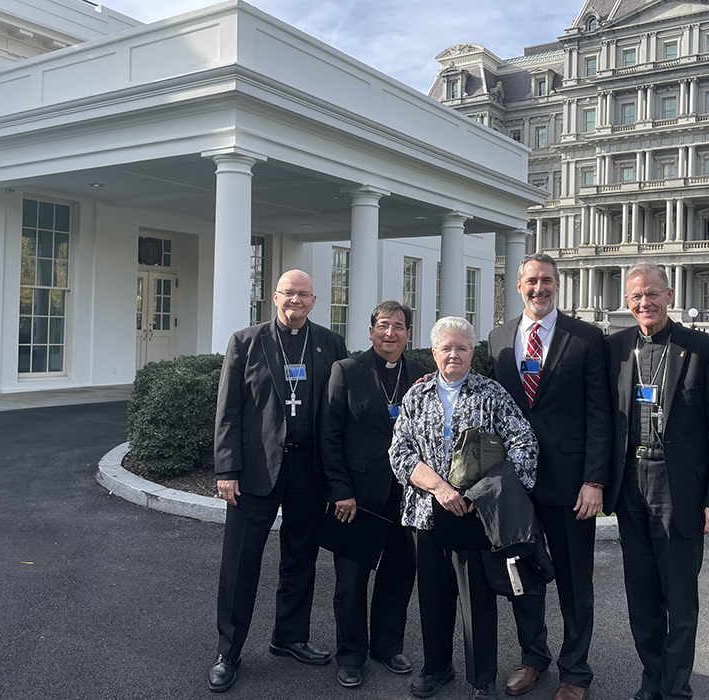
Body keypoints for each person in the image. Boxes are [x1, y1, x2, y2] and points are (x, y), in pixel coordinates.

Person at [207, 269, 347, 693]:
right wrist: (226, 468)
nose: (296, 301)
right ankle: (228, 652)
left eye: (303, 295)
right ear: (275, 296)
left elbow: (340, 408)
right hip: (255, 470)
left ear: (314, 300)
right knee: (240, 563)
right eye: (289, 293)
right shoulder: (245, 341)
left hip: (309, 470)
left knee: (300, 559)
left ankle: (290, 637)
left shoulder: (330, 343)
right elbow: (228, 409)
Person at [603, 262, 709, 700]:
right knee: (641, 595)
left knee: (679, 598)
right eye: (637, 296)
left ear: (670, 296)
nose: (645, 303)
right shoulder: (615, 348)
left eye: (653, 294)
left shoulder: (703, 349)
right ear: (627, 302)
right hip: (630, 485)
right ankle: (652, 676)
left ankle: (676, 687)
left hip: (678, 487)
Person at [389, 317, 539, 700]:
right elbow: (399, 452)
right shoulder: (416, 396)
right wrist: (439, 487)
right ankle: (437, 667)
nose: (453, 354)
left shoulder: (490, 394)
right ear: (434, 352)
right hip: (425, 514)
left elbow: (525, 445)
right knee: (433, 598)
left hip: (474, 519)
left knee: (477, 602)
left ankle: (482, 679)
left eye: (462, 347)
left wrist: (484, 496)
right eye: (446, 348)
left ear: (473, 352)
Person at [487, 253, 612, 700]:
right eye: (531, 281)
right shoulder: (498, 338)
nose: (539, 288)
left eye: (547, 281)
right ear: (518, 286)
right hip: (515, 486)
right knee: (523, 575)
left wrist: (595, 480)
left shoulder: (586, 337)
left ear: (557, 285)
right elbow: (487, 400)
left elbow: (601, 414)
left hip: (571, 484)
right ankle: (533, 657)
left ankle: (575, 672)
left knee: (576, 582)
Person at [321, 301, 427, 689]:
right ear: (370, 331)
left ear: (408, 334)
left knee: (399, 575)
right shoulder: (346, 371)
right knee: (351, 581)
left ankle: (387, 644)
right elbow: (329, 436)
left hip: (407, 496)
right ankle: (351, 655)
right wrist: (340, 491)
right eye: (383, 325)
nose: (390, 333)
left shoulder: (419, 375)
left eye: (398, 326)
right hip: (358, 497)